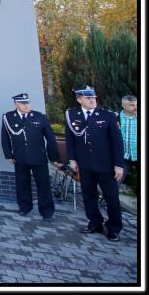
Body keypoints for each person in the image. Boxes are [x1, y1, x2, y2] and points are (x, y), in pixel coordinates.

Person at [66, 85, 124, 242]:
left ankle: (114, 228)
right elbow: (70, 139)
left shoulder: (108, 116)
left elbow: (117, 142)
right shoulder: (72, 115)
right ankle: (95, 223)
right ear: (79, 99)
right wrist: (72, 159)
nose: (92, 100)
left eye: (93, 97)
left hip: (106, 165)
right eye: (88, 98)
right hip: (85, 164)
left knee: (111, 197)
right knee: (88, 195)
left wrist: (118, 164)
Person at [1, 93, 62, 222]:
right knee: (22, 183)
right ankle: (24, 207)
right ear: (16, 104)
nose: (26, 105)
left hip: (38, 156)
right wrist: (9, 155)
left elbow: (50, 138)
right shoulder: (8, 117)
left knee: (43, 184)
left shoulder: (39, 117)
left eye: (28, 103)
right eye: (23, 103)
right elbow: (5, 137)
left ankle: (46, 211)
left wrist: (53, 157)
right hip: (20, 156)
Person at [119, 95, 138, 193]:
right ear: (124, 106)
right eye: (132, 105)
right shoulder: (116, 118)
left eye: (137, 105)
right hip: (123, 155)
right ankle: (109, 200)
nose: (136, 107)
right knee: (116, 179)